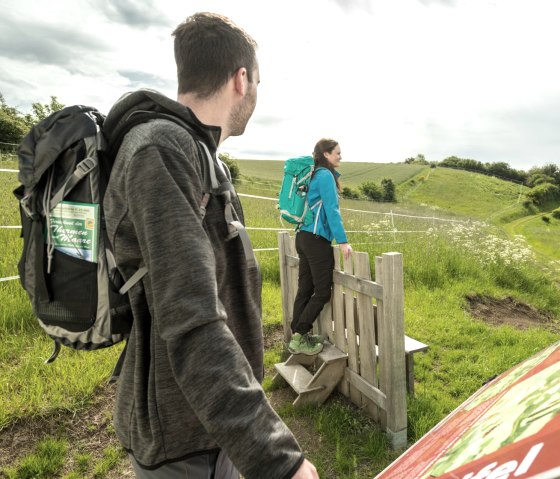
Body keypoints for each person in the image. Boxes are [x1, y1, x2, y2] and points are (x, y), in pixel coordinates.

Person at [103, 12, 319, 479]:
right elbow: (191, 316)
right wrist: (279, 461)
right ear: (241, 79)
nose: (256, 91)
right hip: (183, 439)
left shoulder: (199, 155)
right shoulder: (161, 150)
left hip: (214, 426)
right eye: (258, 80)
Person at [289, 139, 352, 356]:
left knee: (305, 289)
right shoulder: (325, 176)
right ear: (326, 154)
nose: (340, 156)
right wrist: (342, 240)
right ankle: (300, 335)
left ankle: (297, 336)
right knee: (323, 291)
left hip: (303, 236)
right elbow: (332, 210)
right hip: (316, 240)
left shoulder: (314, 174)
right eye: (337, 153)